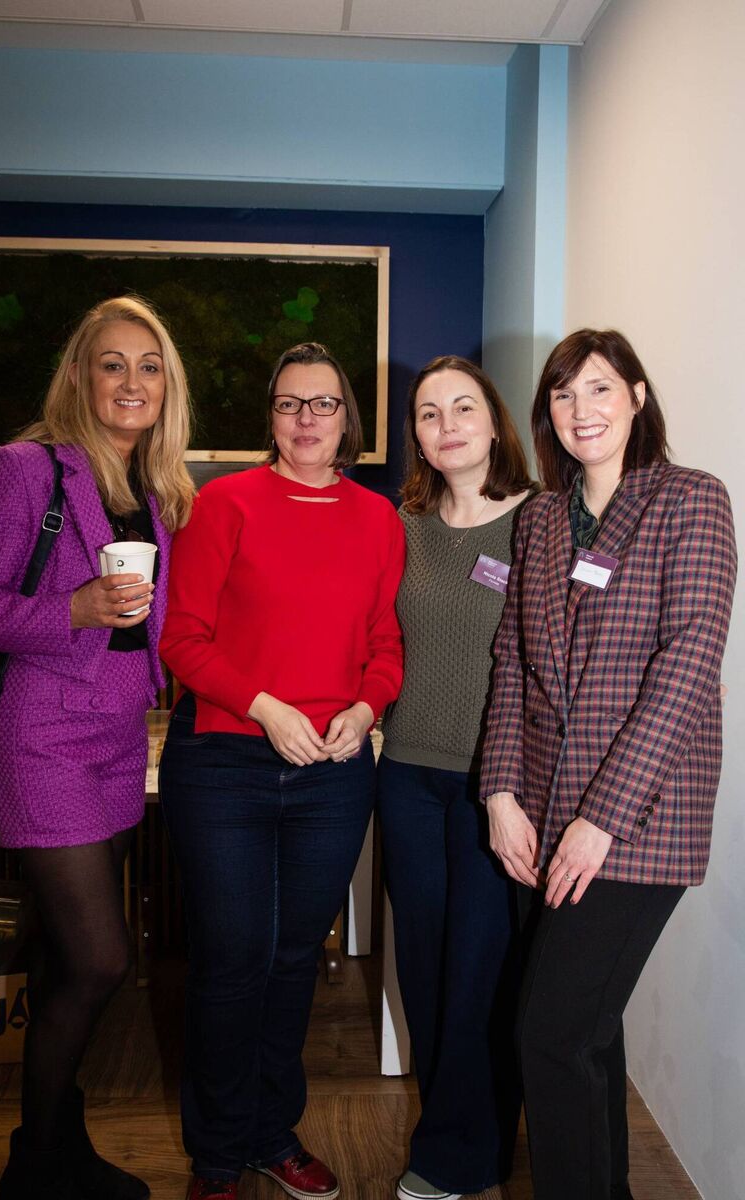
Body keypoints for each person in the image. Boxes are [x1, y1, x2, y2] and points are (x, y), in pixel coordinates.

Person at [0, 295, 194, 1200]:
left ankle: (52, 1146)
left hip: (122, 738)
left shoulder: (152, 488)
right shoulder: (22, 470)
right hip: (41, 737)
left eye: (149, 365)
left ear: (168, 386)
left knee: (63, 955)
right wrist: (74, 609)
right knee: (101, 959)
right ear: (81, 377)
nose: (132, 381)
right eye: (113, 363)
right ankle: (36, 1165)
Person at [481, 329, 736, 1200]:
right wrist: (502, 792)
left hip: (641, 817)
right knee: (585, 1034)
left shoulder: (689, 500)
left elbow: (690, 658)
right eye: (562, 394)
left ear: (636, 396)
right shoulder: (542, 520)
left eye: (599, 389)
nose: (581, 410)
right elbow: (513, 662)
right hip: (544, 815)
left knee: (550, 1034)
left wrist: (601, 818)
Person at [158, 341, 405, 1200]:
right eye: (290, 404)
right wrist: (265, 706)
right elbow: (180, 638)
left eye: (324, 404)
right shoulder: (223, 505)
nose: (307, 419)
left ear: (349, 420)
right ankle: (219, 1152)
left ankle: (273, 1131)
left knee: (296, 958)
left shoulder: (379, 519)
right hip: (225, 761)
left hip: (333, 774)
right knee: (233, 959)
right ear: (270, 416)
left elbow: (386, 643)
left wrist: (365, 710)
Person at [377, 356, 534, 1200]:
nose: (446, 424)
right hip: (405, 776)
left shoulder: (541, 519)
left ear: (493, 417)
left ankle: (451, 1159)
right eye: (429, 413)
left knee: (480, 972)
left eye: (462, 405)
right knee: (427, 969)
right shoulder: (403, 523)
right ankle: (460, 1139)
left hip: (495, 785)